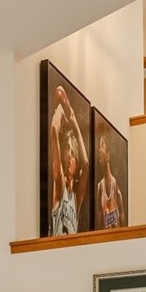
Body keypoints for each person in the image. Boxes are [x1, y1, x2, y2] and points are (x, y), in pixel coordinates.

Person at [47, 88, 85, 235]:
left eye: (72, 153)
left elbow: (87, 163)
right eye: (66, 151)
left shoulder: (75, 200)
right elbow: (53, 131)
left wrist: (75, 126)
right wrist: (62, 109)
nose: (69, 157)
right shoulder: (60, 185)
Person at [95, 135, 124, 229]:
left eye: (102, 144)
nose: (99, 149)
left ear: (108, 155)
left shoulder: (116, 186)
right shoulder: (100, 187)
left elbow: (122, 217)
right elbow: (98, 222)